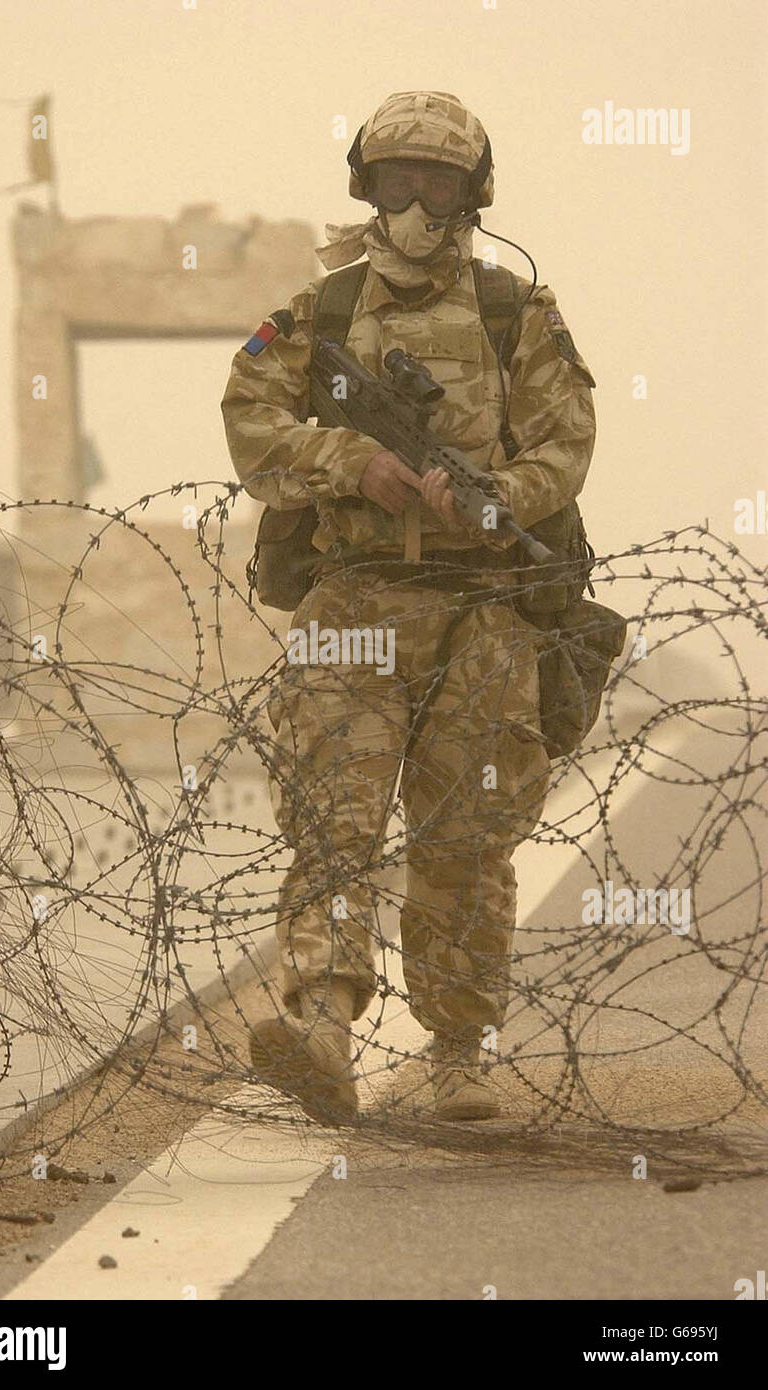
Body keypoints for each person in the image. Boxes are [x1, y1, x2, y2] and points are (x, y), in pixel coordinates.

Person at [221, 91, 596, 1123]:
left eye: (437, 182)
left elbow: (564, 443)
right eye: (398, 181)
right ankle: (322, 1030)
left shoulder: (515, 311)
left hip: (483, 609)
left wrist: (494, 499)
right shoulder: (322, 313)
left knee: (465, 831)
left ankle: (457, 1053)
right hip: (356, 600)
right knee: (333, 818)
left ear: (473, 194)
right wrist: (352, 462)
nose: (417, 202)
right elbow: (252, 425)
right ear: (367, 188)